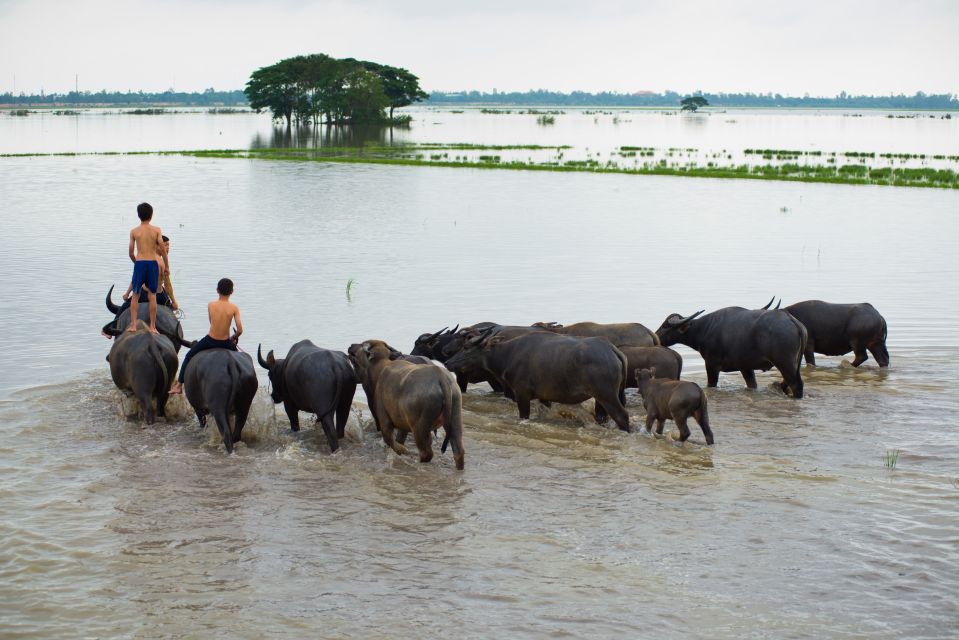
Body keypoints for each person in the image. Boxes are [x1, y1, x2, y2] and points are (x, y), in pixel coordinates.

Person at [169, 278, 242, 395]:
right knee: (240, 362)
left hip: (210, 340)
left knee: (188, 356)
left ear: (217, 290)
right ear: (232, 292)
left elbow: (212, 322)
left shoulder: (211, 305)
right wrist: (233, 337)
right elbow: (240, 330)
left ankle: (178, 385)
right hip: (226, 342)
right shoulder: (234, 308)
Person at [127, 202, 168, 334]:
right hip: (152, 263)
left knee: (135, 295)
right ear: (151, 215)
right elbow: (162, 248)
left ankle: (133, 325)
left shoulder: (134, 231)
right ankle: (152, 326)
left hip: (140, 263)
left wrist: (136, 262)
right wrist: (166, 266)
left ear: (139, 215)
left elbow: (131, 252)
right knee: (152, 295)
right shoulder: (156, 230)